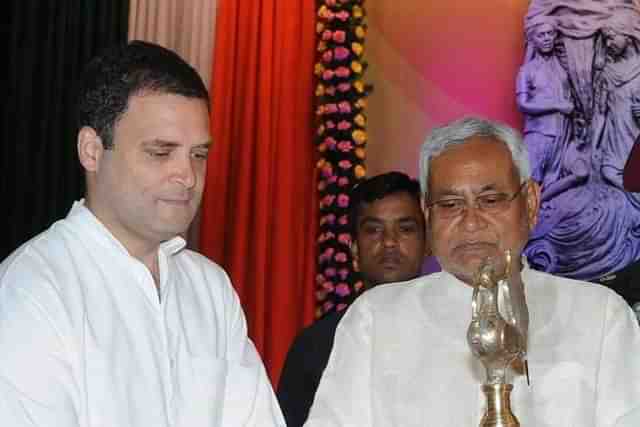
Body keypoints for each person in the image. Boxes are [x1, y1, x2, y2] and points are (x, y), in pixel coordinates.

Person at [0, 41, 284, 426]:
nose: (187, 175)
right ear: (92, 150)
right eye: (161, 152)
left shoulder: (210, 289)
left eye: (198, 154)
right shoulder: (32, 290)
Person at [304, 117, 640, 426]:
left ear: (531, 204)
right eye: (450, 205)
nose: (471, 221)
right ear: (427, 213)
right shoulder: (375, 317)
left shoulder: (599, 315)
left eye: (490, 200)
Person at [277, 172, 426, 427]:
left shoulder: (455, 332)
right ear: (354, 248)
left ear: (428, 243)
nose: (390, 242)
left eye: (405, 229)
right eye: (374, 230)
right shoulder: (315, 346)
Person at [516, 17, 574, 189]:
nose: (547, 38)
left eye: (550, 33)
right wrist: (557, 105)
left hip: (563, 133)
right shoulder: (527, 71)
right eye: (542, 35)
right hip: (539, 133)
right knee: (529, 179)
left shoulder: (562, 67)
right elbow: (522, 104)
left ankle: (549, 214)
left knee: (554, 181)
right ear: (533, 39)